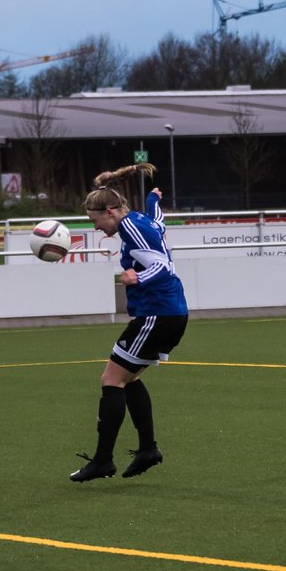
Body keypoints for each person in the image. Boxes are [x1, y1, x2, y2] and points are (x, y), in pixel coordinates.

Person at [70, 163, 188, 483]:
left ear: (109, 212)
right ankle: (148, 449)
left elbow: (163, 266)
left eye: (96, 221)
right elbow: (159, 224)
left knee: (111, 380)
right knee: (129, 379)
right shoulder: (139, 219)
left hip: (157, 314)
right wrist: (153, 200)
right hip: (170, 314)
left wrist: (136, 277)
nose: (96, 228)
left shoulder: (130, 228)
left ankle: (103, 460)